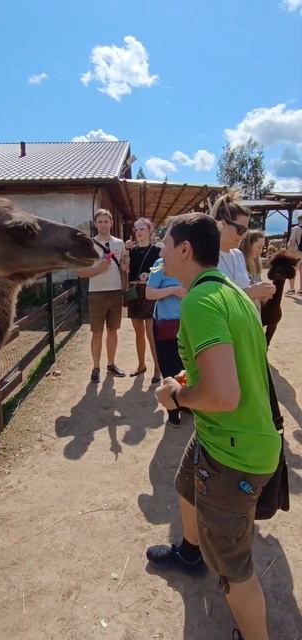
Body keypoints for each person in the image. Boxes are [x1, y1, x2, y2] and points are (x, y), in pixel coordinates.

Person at [147, 212, 281, 640]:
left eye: (166, 242)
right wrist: (187, 379)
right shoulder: (233, 295)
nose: (162, 250)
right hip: (231, 437)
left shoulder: (200, 303)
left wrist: (176, 397)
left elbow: (223, 397)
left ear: (184, 250)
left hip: (232, 452)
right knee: (186, 484)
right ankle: (190, 553)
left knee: (232, 566)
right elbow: (234, 366)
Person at [77, 208, 128, 383]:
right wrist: (99, 269)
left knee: (112, 331)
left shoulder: (119, 244)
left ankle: (111, 364)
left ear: (112, 223)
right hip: (96, 294)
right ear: (95, 224)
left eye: (106, 221)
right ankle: (96, 367)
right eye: (100, 221)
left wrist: (124, 288)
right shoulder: (88, 245)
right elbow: (81, 272)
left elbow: (123, 267)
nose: (103, 224)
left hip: (115, 293)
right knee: (97, 333)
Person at [211, 191, 275, 304]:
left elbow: (243, 289)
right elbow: (210, 298)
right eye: (240, 229)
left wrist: (261, 293)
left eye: (245, 230)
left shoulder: (238, 254)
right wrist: (250, 292)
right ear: (222, 224)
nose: (244, 235)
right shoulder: (205, 256)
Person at [146, 257, 186, 426]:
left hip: (189, 323)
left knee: (187, 367)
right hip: (166, 324)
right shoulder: (161, 263)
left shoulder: (194, 261)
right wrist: (173, 290)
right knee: (169, 368)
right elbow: (149, 293)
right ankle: (172, 409)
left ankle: (186, 402)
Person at [125, 218, 161, 382]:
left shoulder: (157, 251)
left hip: (149, 291)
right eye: (136, 229)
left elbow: (163, 270)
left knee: (151, 332)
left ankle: (157, 368)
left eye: (142, 229)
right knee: (138, 332)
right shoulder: (132, 251)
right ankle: (141, 365)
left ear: (149, 232)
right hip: (134, 292)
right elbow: (124, 268)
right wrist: (125, 252)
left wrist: (150, 275)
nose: (139, 232)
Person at [239, 230, 265, 312]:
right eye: (259, 247)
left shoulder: (257, 264)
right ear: (249, 245)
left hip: (255, 310)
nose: (261, 251)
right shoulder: (239, 264)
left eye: (262, 247)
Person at [285, 213, 302, 295]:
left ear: (299, 220)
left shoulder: (296, 228)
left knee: (292, 270)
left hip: (297, 252)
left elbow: (291, 241)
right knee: (301, 271)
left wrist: (288, 251)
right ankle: (301, 290)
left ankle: (291, 289)